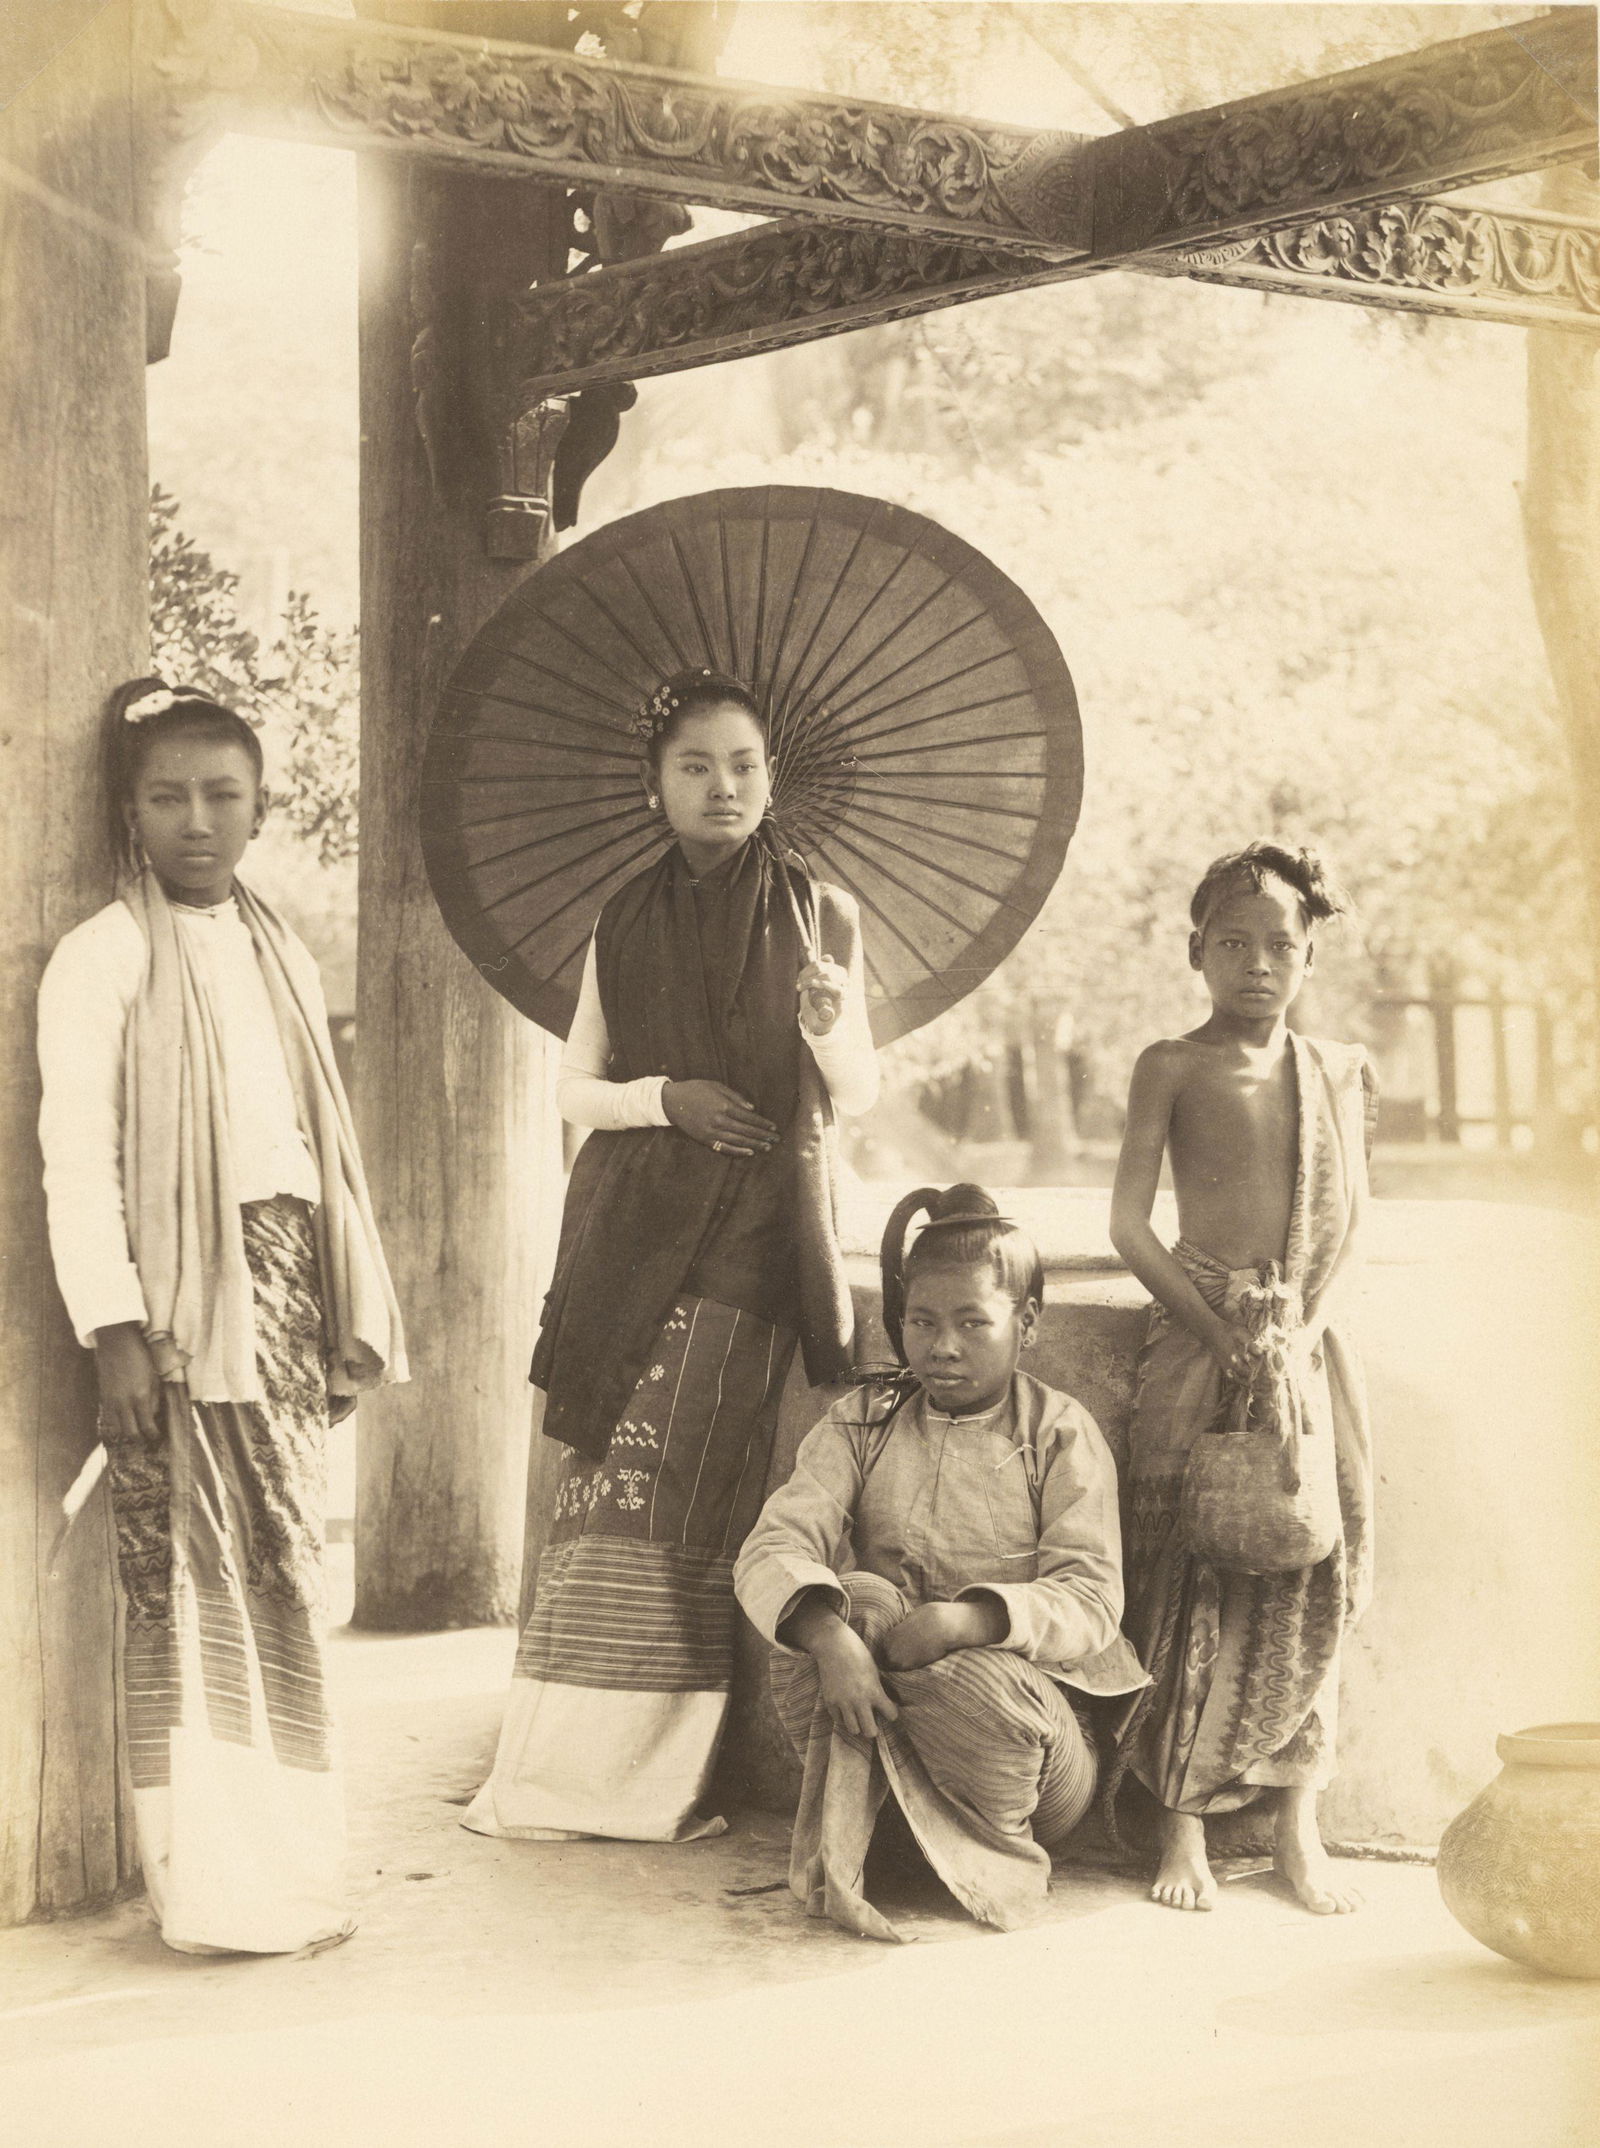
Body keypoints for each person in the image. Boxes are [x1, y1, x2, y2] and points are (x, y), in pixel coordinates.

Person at [463, 667, 880, 1845]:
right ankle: (548, 1773)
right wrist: (667, 1098)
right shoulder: (625, 916)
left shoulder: (820, 913)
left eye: (743, 765)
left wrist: (825, 1021)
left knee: (676, 1491)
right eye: (695, 766)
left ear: (771, 777)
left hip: (752, 1237)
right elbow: (575, 1089)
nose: (723, 787)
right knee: (600, 1489)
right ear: (655, 786)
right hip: (627, 1226)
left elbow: (858, 1091)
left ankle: (643, 1786)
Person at [36, 677, 406, 1955]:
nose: (198, 820)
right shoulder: (106, 955)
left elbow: (313, 1147)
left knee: (288, 1572)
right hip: (177, 1306)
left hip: (285, 1292)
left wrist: (330, 1301)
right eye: (169, 796)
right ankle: (213, 1891)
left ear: (260, 809)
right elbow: (76, 1158)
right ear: (129, 813)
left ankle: (296, 1875)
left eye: (223, 795)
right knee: (186, 1584)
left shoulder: (277, 945)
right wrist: (114, 1329)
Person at [734, 1185, 1147, 1942]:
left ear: (1025, 1324)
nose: (943, 1346)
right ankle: (883, 1834)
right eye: (922, 1322)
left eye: (972, 1323)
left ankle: (980, 1854)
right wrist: (832, 1643)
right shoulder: (863, 1421)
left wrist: (969, 1620)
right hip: (888, 1708)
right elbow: (774, 1545)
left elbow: (1091, 1597)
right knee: (841, 1607)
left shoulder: (1058, 1433)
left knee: (973, 1679)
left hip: (1027, 1756)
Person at [1107, 841, 1376, 1916]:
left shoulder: (1335, 1072)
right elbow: (1126, 1226)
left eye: (1279, 944)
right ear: (1195, 952)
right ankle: (1180, 1823)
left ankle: (1297, 1828)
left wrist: (1300, 1329)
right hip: (1197, 1340)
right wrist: (1217, 1329)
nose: (1256, 963)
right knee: (1183, 1568)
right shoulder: (1169, 1065)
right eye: (1232, 942)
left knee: (1316, 1568)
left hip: (1302, 1348)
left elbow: (1351, 1221)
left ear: (1308, 957)